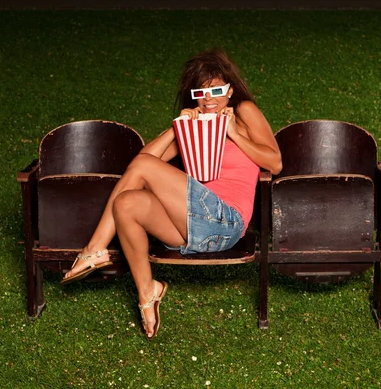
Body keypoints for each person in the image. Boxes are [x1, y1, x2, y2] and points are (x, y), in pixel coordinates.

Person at [61, 47, 282, 339]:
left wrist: (234, 134)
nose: (209, 99)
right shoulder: (197, 126)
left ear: (230, 91)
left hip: (226, 221)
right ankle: (148, 292)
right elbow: (140, 163)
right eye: (201, 93)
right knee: (127, 203)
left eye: (217, 90)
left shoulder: (244, 112)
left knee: (141, 172)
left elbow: (275, 163)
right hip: (192, 227)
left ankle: (94, 250)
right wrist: (177, 128)